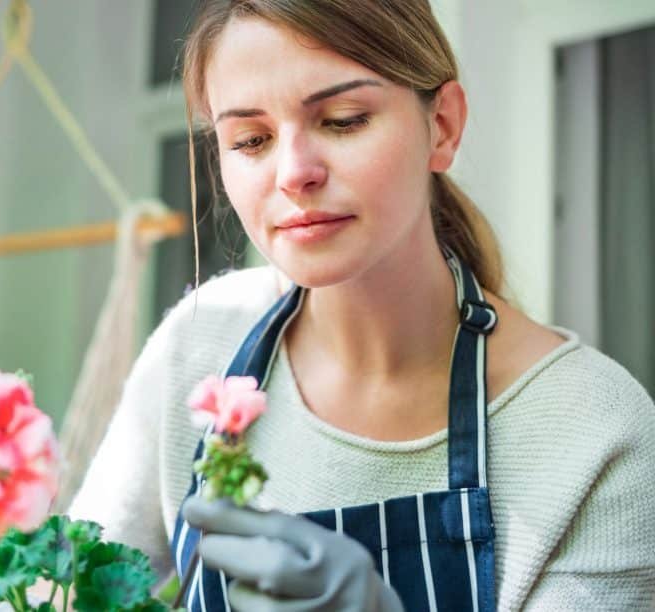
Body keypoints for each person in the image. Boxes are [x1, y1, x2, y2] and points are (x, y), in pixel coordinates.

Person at [68, 1, 655, 610]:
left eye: (343, 120)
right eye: (252, 139)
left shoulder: (595, 430)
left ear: (444, 126)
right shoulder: (199, 344)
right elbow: (66, 591)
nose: (294, 173)